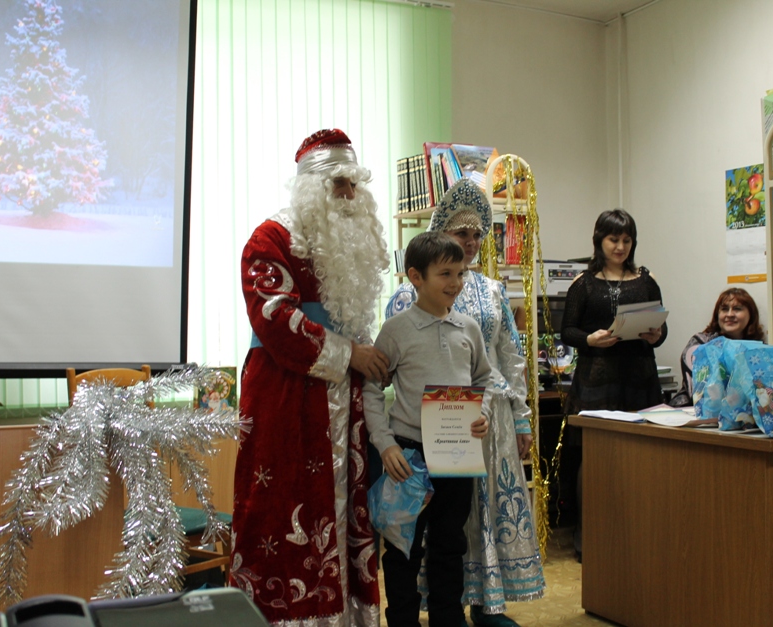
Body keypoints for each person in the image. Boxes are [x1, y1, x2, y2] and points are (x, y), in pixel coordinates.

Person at [230, 129, 389, 626]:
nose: (349, 194)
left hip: (346, 404)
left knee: (346, 516)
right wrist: (350, 355)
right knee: (281, 513)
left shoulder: (350, 244)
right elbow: (275, 318)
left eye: (354, 184)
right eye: (339, 183)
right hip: (287, 401)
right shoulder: (270, 239)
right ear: (311, 186)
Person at [386, 178, 545, 627]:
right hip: (423, 433)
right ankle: (421, 613)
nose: (471, 242)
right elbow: (393, 371)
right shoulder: (407, 296)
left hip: (482, 424)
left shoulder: (493, 290)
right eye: (461, 233)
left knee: (470, 521)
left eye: (477, 234)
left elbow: (508, 357)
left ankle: (486, 605)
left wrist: (521, 418)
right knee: (423, 531)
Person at [365, 231, 492, 627]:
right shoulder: (396, 330)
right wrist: (385, 444)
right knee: (402, 549)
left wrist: (483, 411)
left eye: (461, 273)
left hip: (457, 454)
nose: (455, 282)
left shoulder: (468, 328)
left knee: (450, 544)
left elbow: (483, 379)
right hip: (408, 457)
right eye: (445, 274)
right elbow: (371, 389)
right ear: (415, 277)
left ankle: (447, 619)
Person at [559, 209, 667, 559]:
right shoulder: (584, 283)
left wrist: (657, 335)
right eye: (613, 240)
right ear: (599, 240)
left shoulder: (646, 280)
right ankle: (588, 538)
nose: (620, 247)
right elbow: (567, 331)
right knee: (593, 459)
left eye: (626, 240)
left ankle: (637, 535)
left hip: (640, 378)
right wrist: (590, 339)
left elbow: (661, 328)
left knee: (641, 459)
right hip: (597, 380)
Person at [668, 287, 765, 407]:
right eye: (724, 309)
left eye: (737, 309)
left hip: (742, 414)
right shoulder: (700, 343)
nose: (729, 314)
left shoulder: (758, 350)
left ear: (751, 315)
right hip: (691, 410)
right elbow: (699, 391)